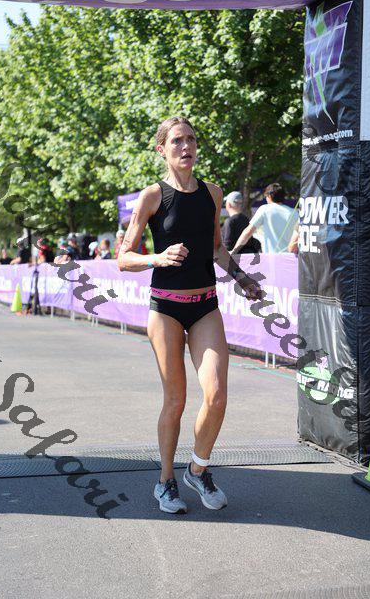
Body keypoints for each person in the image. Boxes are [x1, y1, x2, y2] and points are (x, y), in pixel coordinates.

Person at [118, 116, 261, 514]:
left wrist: (241, 277)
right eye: (177, 141)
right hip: (165, 308)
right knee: (176, 400)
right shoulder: (152, 196)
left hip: (204, 306)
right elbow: (123, 258)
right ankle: (165, 481)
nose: (186, 147)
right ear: (162, 149)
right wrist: (157, 257)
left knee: (216, 396)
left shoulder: (212, 193)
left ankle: (197, 470)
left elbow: (216, 247)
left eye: (191, 140)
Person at [230, 183, 298, 255]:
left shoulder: (264, 209)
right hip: (291, 258)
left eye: (266, 196)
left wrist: (234, 250)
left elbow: (248, 231)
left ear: (269, 196)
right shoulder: (295, 213)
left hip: (271, 257)